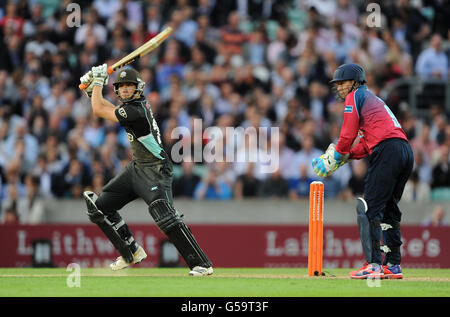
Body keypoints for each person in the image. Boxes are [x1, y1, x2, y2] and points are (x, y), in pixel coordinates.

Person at [79, 64, 213, 276]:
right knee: (101, 207)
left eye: (129, 86)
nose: (124, 89)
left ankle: (202, 264)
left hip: (156, 170)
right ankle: (130, 250)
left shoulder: (136, 110)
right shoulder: (130, 108)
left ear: (137, 88)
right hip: (137, 168)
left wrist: (96, 82)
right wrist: (93, 88)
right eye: (121, 86)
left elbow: (99, 110)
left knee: (165, 216)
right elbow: (104, 107)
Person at [312, 63, 414, 279]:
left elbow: (347, 135)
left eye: (342, 82)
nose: (339, 87)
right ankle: (393, 264)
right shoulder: (372, 100)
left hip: (387, 150)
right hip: (404, 150)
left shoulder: (355, 96)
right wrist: (345, 157)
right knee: (389, 209)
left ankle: (374, 264)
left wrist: (336, 155)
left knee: (368, 208)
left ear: (355, 82)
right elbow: (366, 144)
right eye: (337, 84)